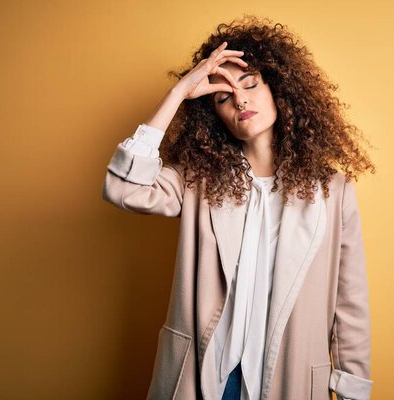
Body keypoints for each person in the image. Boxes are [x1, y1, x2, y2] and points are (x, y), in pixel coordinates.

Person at [102, 15, 376, 400]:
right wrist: (179, 92)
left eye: (249, 84)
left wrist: (352, 389)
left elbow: (350, 305)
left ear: (278, 90)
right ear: (212, 114)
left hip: (289, 377)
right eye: (222, 97)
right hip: (210, 374)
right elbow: (122, 187)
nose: (240, 100)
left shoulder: (333, 190)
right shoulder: (198, 179)